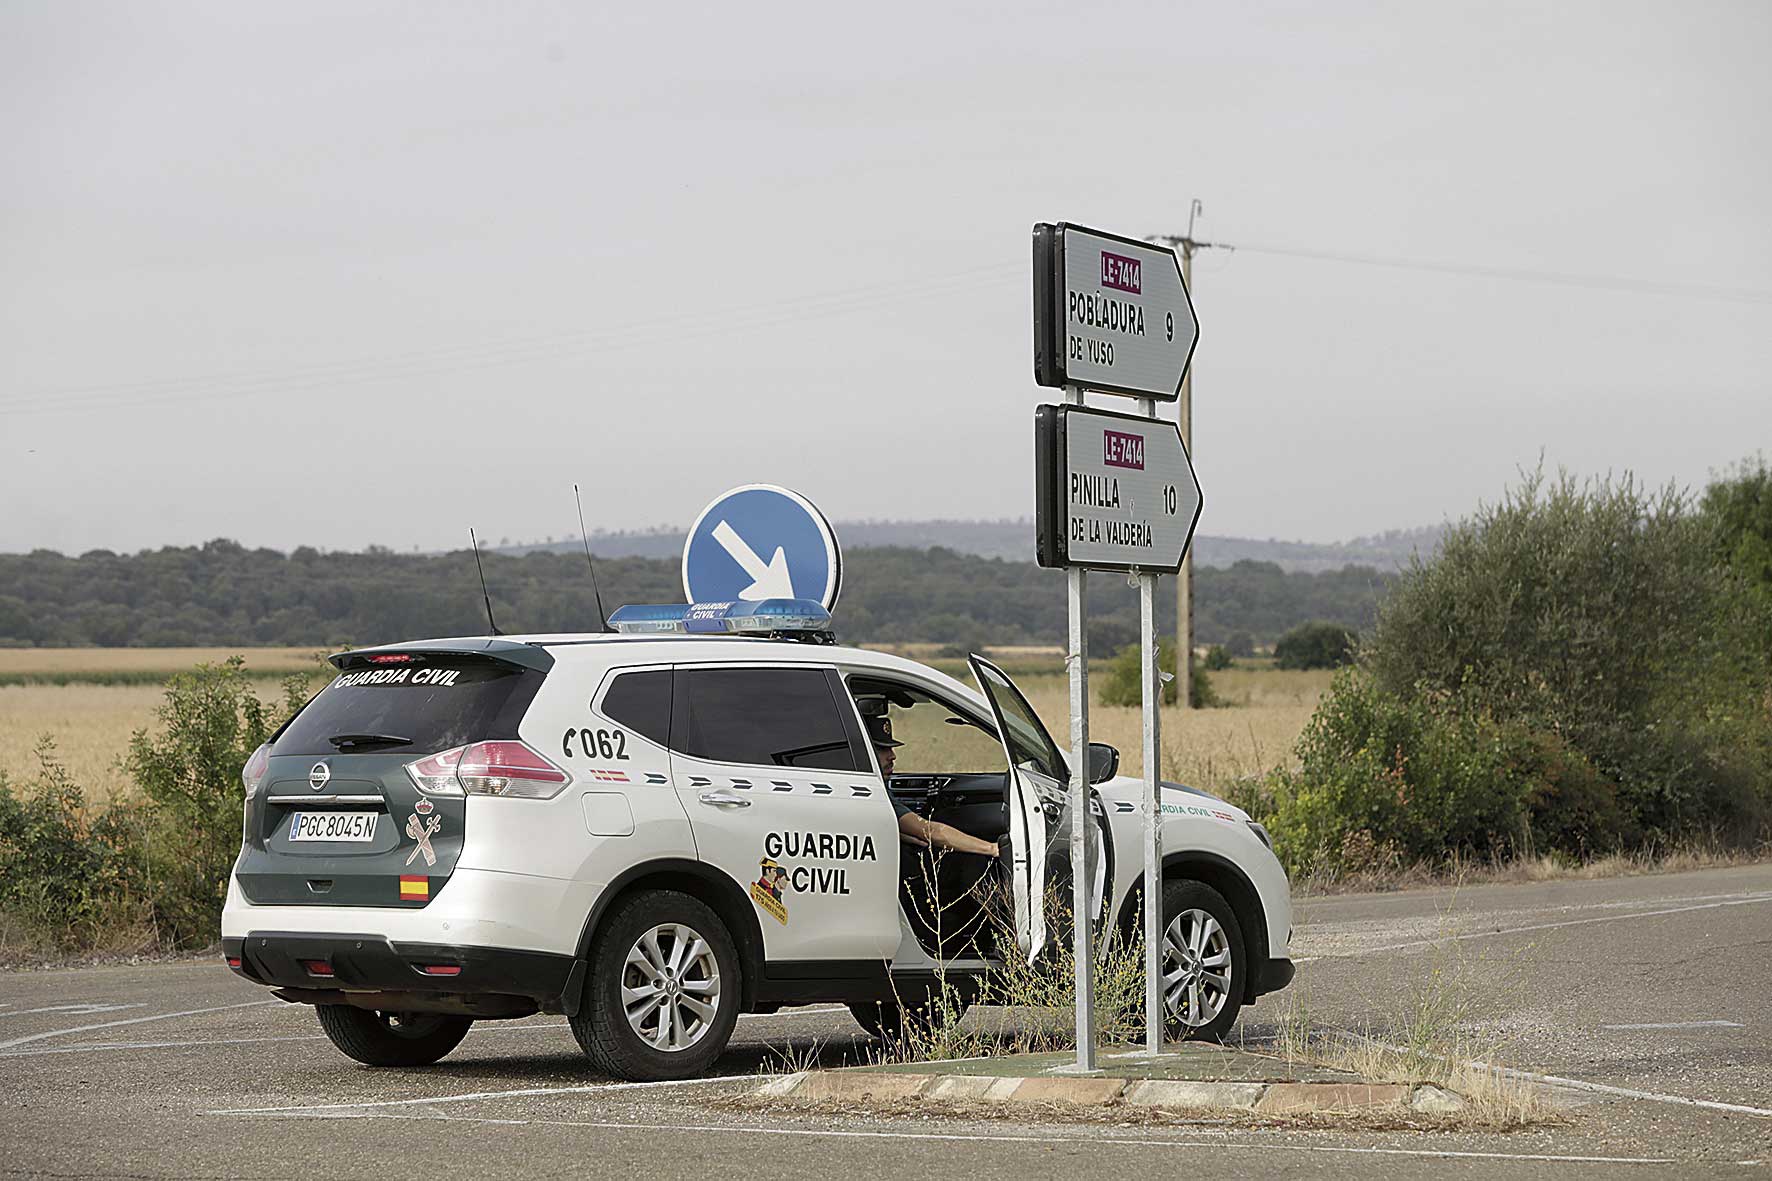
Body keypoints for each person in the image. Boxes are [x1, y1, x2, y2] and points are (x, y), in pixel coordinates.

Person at [864, 713, 1000, 856]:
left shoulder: (876, 785)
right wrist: (991, 849)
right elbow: (928, 830)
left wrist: (900, 834)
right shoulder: (869, 789)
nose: (892, 756)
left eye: (890, 748)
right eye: (882, 749)